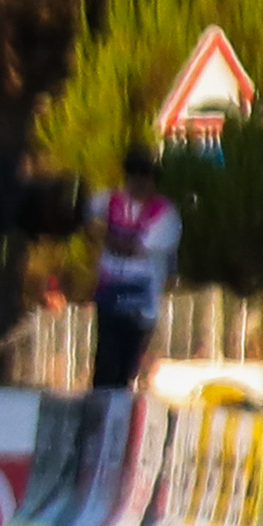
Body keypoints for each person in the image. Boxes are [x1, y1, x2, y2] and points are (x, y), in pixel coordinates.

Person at [89, 148, 181, 391]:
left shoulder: (166, 214)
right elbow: (82, 213)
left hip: (142, 299)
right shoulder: (109, 201)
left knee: (125, 366)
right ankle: (100, 410)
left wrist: (107, 236)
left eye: (145, 175)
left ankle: (117, 410)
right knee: (105, 360)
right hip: (110, 290)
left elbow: (131, 248)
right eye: (133, 174)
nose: (139, 181)